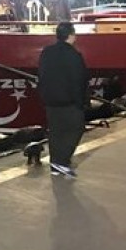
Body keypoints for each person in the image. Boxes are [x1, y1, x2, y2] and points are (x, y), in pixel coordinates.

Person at [37, 22, 89, 178]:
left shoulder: (47, 52)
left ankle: (55, 164)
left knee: (56, 132)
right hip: (69, 101)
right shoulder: (74, 55)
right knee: (76, 128)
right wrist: (81, 101)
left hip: (50, 100)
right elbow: (79, 80)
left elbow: (41, 73)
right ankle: (61, 162)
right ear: (71, 35)